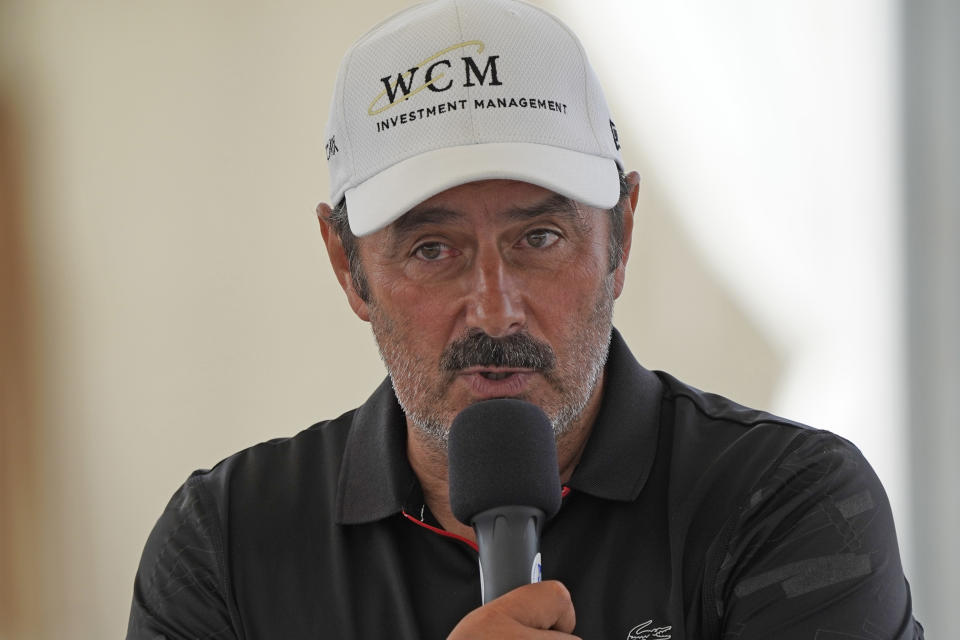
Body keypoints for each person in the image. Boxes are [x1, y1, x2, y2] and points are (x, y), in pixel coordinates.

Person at [127, 0, 923, 638]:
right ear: (348, 265)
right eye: (433, 249)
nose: (496, 307)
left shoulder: (785, 502)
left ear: (621, 237)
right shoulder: (229, 542)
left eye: (539, 238)